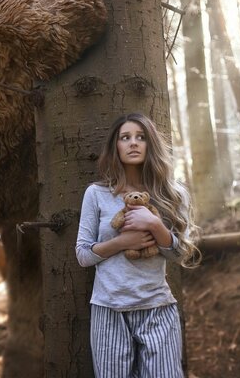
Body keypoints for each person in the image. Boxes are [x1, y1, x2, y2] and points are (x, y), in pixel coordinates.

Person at [75, 113, 200, 378]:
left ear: (150, 144)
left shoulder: (174, 194)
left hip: (157, 308)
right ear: (116, 146)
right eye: (125, 137)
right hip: (109, 310)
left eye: (141, 137)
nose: (133, 143)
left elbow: (182, 253)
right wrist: (122, 242)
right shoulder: (96, 194)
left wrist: (155, 226)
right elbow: (83, 255)